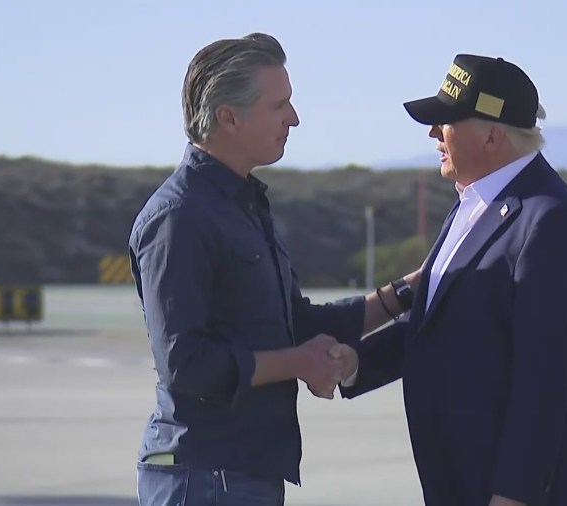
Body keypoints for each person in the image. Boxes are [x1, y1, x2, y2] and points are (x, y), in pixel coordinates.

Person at [128, 33, 419, 506]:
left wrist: (407, 291)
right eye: (279, 105)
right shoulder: (179, 217)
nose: (294, 118)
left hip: (243, 472)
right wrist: (299, 362)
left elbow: (295, 325)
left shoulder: (244, 206)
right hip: (205, 476)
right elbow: (186, 363)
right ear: (228, 117)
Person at [335, 54, 567, 506]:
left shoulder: (551, 220)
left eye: (445, 121)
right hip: (463, 482)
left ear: (492, 134)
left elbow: (546, 378)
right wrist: (354, 362)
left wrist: (513, 493)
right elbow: (446, 325)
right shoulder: (475, 202)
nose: (432, 133)